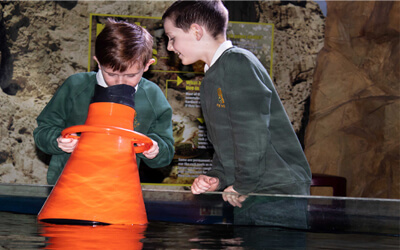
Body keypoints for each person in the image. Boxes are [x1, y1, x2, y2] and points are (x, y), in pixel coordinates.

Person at [162, 0, 312, 207]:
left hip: (276, 189)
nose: (170, 47)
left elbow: (251, 131)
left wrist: (244, 184)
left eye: (172, 38)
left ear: (196, 31)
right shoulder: (211, 79)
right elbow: (226, 142)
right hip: (248, 189)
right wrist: (218, 177)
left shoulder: (237, 63)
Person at [34, 19, 174, 185]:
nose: (120, 82)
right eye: (112, 74)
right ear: (98, 62)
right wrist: (57, 141)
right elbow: (42, 131)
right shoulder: (76, 86)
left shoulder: (153, 96)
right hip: (67, 184)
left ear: (146, 66)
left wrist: (154, 150)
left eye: (131, 75)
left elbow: (166, 152)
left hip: (119, 188)